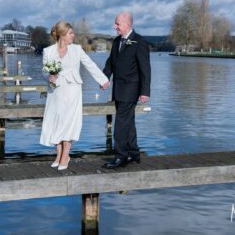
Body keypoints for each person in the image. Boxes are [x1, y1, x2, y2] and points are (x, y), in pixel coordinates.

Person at [40, 21, 109, 170]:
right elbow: (44, 71)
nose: (73, 36)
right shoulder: (48, 51)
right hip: (55, 91)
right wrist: (48, 76)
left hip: (73, 90)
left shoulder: (77, 50)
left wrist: (103, 80)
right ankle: (58, 154)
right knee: (56, 121)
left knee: (69, 121)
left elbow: (89, 64)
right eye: (71, 33)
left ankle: (66, 155)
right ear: (62, 35)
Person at [103, 12, 151, 168]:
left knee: (121, 124)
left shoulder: (140, 42)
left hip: (131, 89)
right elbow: (111, 62)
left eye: (117, 24)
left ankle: (121, 156)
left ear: (127, 24)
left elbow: (145, 69)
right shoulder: (117, 41)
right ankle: (133, 153)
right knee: (128, 122)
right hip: (118, 89)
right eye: (115, 23)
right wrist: (104, 78)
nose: (115, 26)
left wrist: (145, 92)